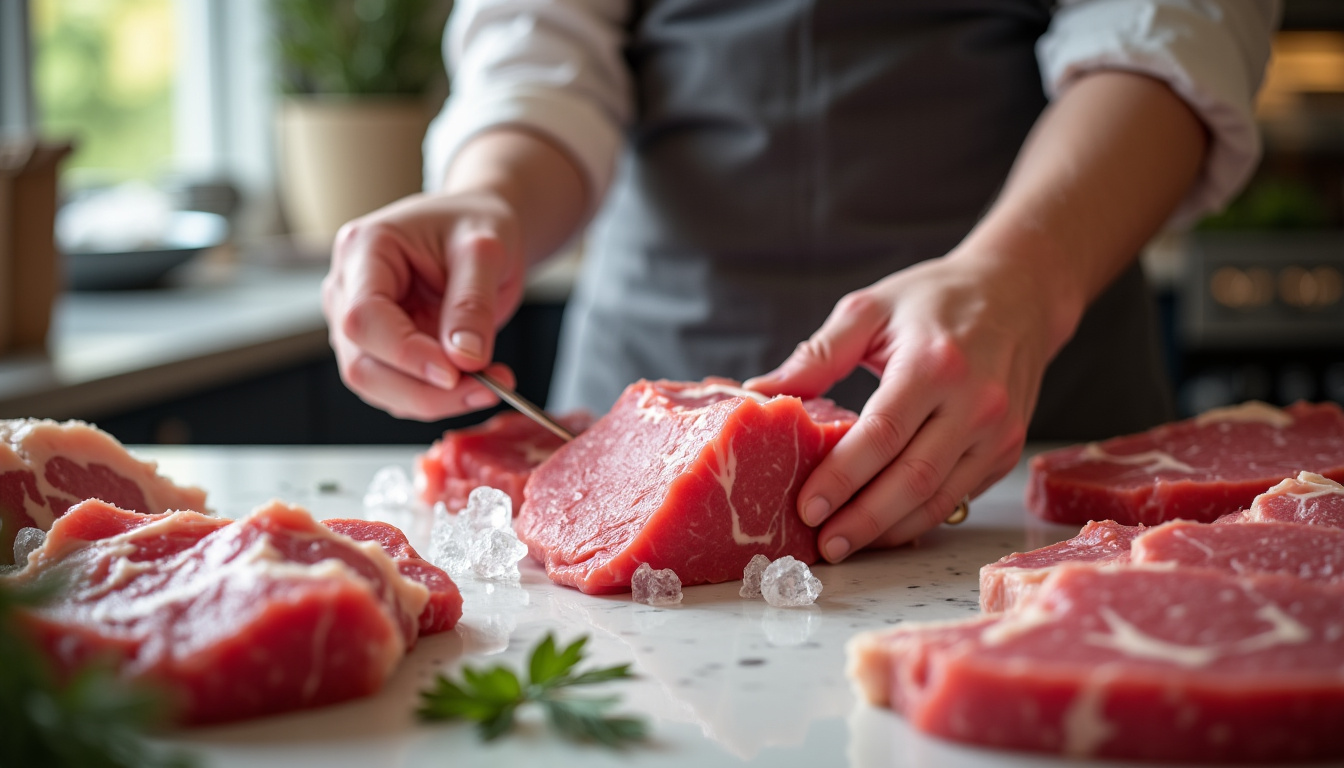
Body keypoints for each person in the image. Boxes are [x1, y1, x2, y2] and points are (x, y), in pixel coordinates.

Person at [323, 0, 1280, 563]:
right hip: (641, 386)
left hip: (1029, 390)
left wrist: (1022, 277)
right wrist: (486, 199)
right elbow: (544, 50)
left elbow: (1173, 28)